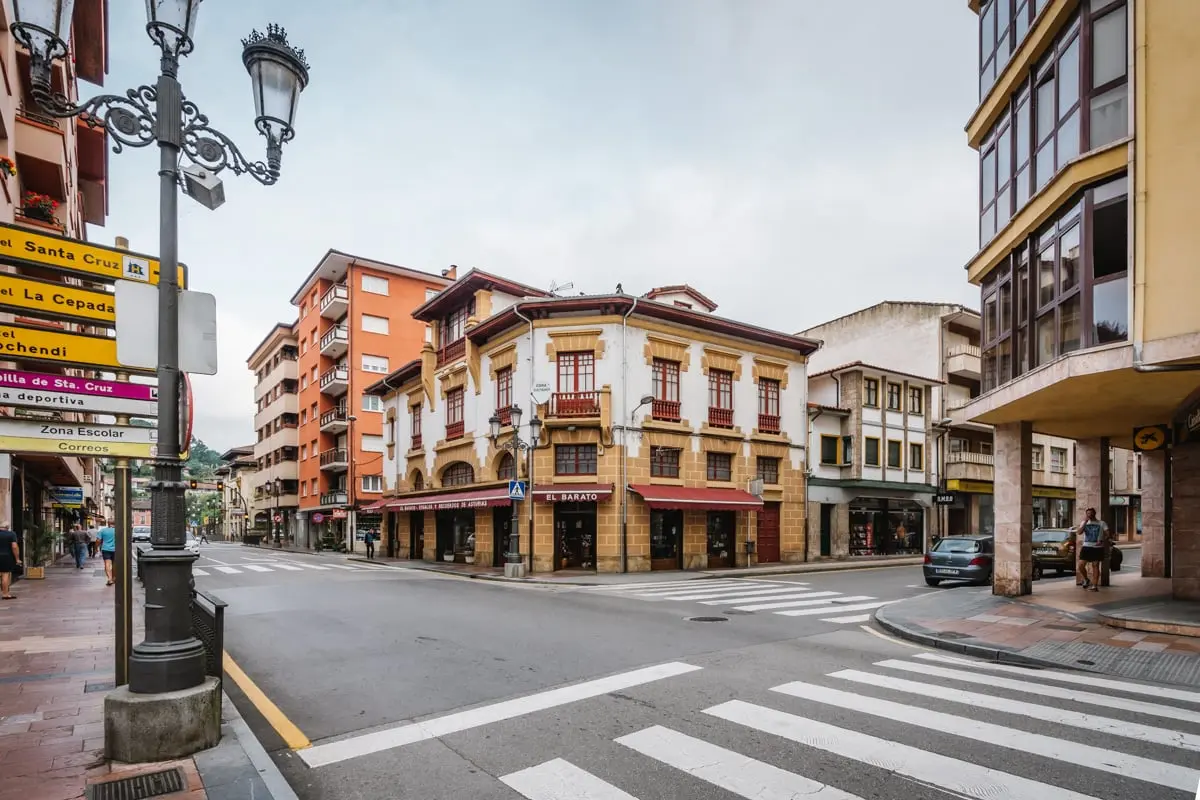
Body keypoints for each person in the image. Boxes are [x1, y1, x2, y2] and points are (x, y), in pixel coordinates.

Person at [1077, 507, 1110, 592]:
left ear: (1094, 514)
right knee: (1080, 565)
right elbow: (1079, 532)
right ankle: (1086, 579)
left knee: (1095, 565)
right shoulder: (1084, 523)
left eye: (1091, 513)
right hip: (1086, 547)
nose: (1089, 515)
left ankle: (1094, 586)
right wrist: (1084, 522)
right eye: (1087, 513)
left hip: (1097, 547)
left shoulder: (1102, 523)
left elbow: (1107, 534)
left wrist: (1102, 540)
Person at [0, 527, 20, 600]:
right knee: (5, 575)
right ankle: (5, 594)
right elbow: (14, 546)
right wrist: (17, 559)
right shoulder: (11, 534)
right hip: (6, 557)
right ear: (7, 527)